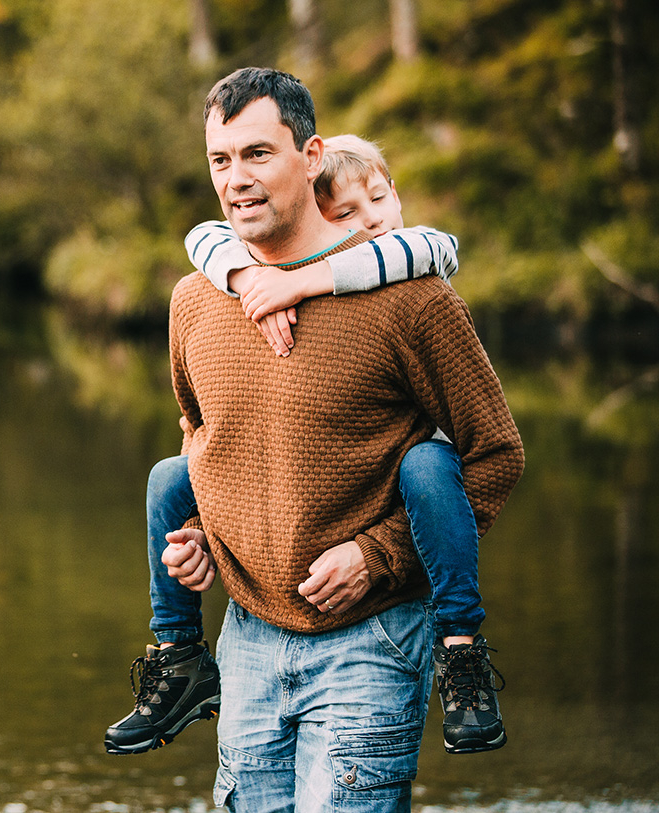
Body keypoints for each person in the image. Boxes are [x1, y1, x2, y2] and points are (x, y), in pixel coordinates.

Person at [128, 67, 522, 811]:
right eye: (220, 159)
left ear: (310, 157)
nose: (235, 179)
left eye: (257, 154)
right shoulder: (196, 299)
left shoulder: (412, 299)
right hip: (245, 645)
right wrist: (204, 529)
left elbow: (495, 455)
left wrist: (378, 555)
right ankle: (177, 662)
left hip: (367, 643)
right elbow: (200, 434)